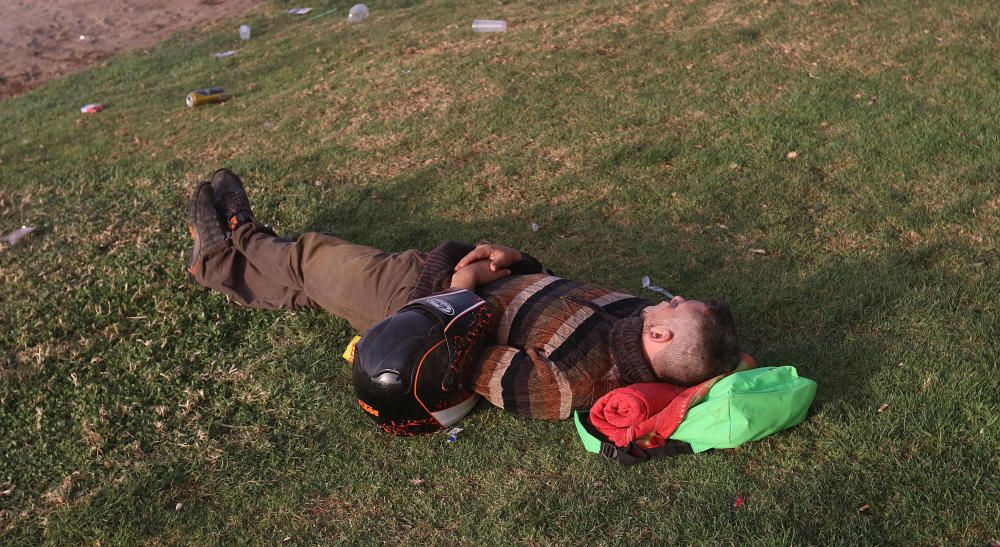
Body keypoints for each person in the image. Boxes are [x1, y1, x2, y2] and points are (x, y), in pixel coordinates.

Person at [186, 169, 742, 420]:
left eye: (675, 305)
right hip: (453, 275)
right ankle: (227, 264)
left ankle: (232, 242)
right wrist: (515, 261)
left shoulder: (577, 381)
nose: (668, 298)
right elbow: (552, 288)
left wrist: (460, 292)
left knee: (314, 258)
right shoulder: (628, 314)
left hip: (414, 309)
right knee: (317, 287)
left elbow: (469, 366)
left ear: (661, 335)